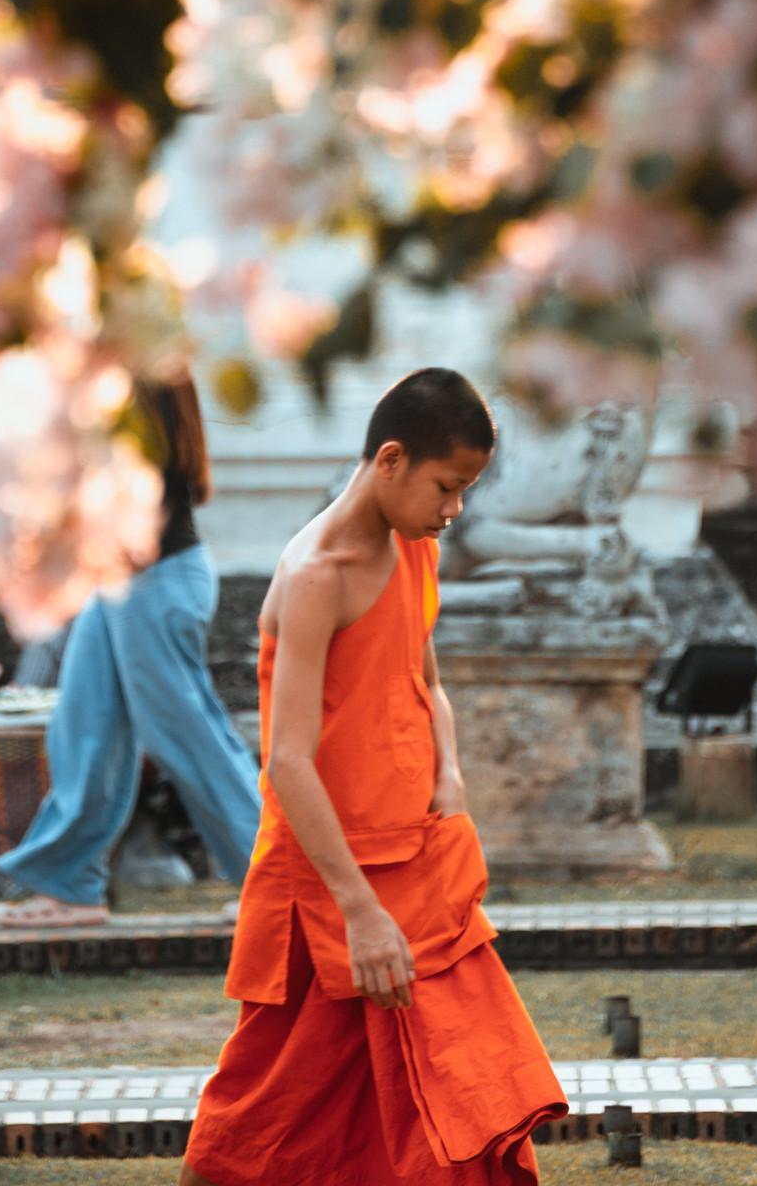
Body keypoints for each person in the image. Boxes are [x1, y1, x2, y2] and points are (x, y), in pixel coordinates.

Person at [181, 367, 566, 1186]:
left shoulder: (412, 545)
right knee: (264, 1121)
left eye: (465, 489)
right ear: (389, 460)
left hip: (415, 867)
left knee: (464, 1090)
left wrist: (450, 778)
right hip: (326, 885)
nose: (455, 509)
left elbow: (423, 678)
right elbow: (285, 759)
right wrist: (358, 912)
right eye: (447, 486)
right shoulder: (317, 573)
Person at [0, 372, 261, 926]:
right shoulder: (118, 400)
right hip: (121, 587)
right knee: (85, 726)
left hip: (157, 585)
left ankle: (279, 879)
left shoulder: (142, 414)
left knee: (187, 735)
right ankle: (71, 885)